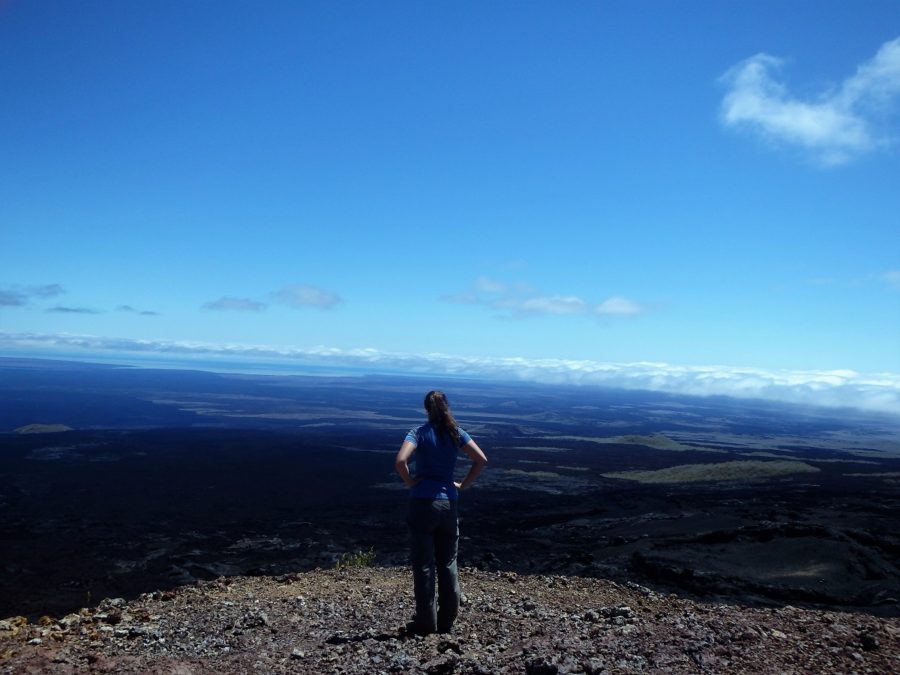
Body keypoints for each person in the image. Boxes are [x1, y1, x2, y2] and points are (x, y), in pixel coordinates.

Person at [394, 390, 488, 636]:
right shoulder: (456, 433)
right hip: (449, 503)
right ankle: (447, 621)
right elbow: (481, 459)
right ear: (446, 407)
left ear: (426, 408)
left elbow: (400, 461)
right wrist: (463, 485)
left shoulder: (418, 433)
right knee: (447, 563)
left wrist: (411, 483)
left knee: (424, 565)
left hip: (422, 503)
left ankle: (426, 622)